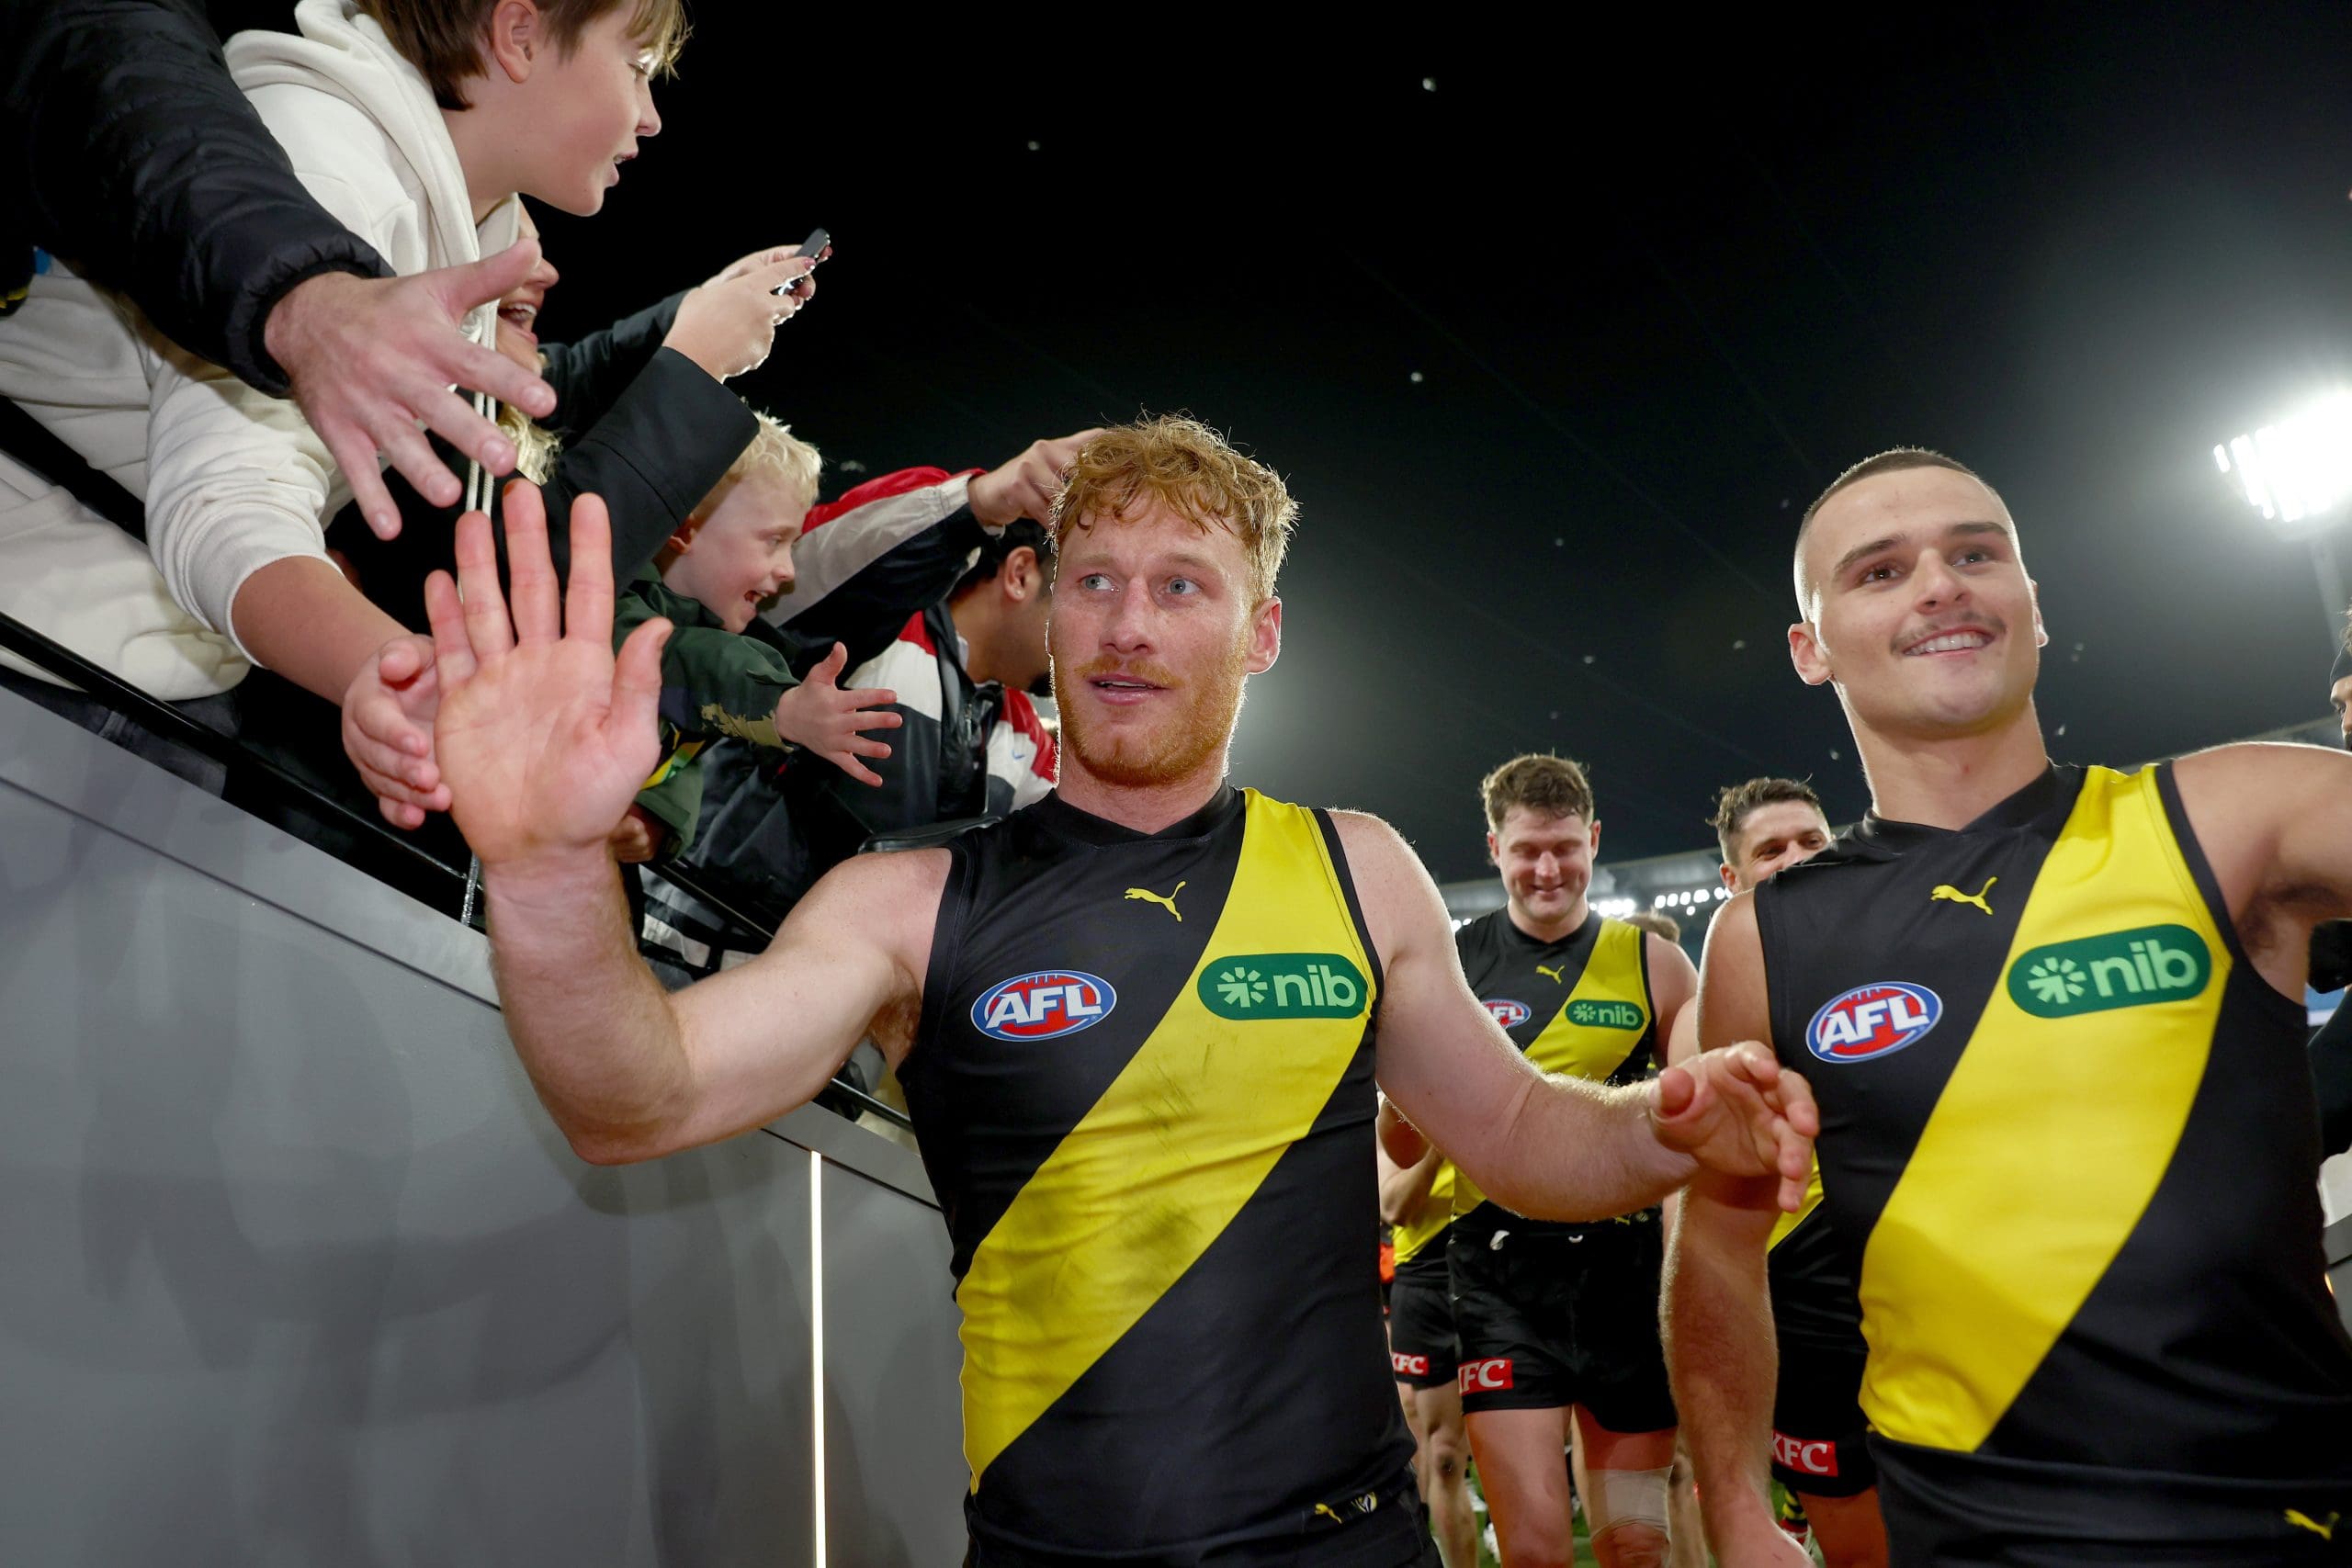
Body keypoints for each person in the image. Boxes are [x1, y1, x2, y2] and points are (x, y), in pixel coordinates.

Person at [421, 415, 1816, 1566]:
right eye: (1093, 579)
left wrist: (1663, 1126)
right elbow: (633, 1098)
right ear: (1043, 592)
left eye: (1181, 584)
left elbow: (1520, 1135)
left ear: (1261, 632)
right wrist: (543, 863)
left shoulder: (1359, 869)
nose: (1127, 625)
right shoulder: (909, 903)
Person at [1669, 448, 2352, 1567]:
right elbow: (1719, 1241)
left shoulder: (2236, 814)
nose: (1940, 584)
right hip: (1968, 1537)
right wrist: (1737, 1507)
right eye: (1880, 571)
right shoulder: (1763, 938)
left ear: (2032, 604)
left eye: (1974, 554)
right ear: (1811, 648)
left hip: (2284, 1514)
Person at [0, 0, 555, 536]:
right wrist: (302, 297)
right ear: (517, 32)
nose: (647, 119)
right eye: (636, 67)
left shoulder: (450, 213)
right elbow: (124, 70)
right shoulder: (336, 166)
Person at [1385, 754, 1699, 1568]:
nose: (1548, 868)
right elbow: (1399, 1147)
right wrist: (1409, 1094)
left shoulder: (1656, 964)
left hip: (1627, 1281)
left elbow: (1702, 1128)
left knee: (1636, 1545)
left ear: (1594, 840)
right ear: (1495, 848)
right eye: (1527, 849)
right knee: (1533, 1549)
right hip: (1500, 1279)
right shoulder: (1449, 963)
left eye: (1564, 845)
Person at [1707, 777, 1883, 1567]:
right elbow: (1698, 1208)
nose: (1797, 859)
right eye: (1770, 849)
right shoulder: (1712, 1010)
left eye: (1812, 841)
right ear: (1732, 880)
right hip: (1803, 1296)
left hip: (1931, 1272)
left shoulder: (1919, 951)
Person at [613, 416, 899, 863]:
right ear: (685, 530)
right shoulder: (610, 603)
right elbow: (676, 662)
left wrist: (656, 822)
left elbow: (677, 757)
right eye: (774, 541)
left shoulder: (699, 639)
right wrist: (779, 706)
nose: (788, 571)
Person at [1378, 1135, 1476, 1567]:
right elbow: (1394, 1207)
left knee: (1458, 1455)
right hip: (1422, 1286)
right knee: (1437, 1458)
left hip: (1486, 1270)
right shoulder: (1393, 1117)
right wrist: (1440, 1144)